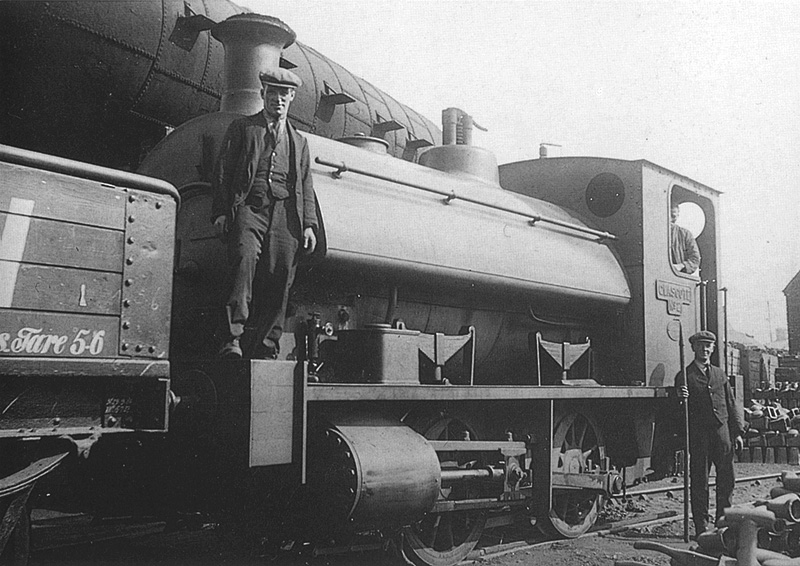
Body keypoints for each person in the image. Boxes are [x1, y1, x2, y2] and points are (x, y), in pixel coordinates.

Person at [212, 67, 318, 359]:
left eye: (284, 95)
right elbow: (223, 172)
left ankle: (266, 344)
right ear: (263, 94)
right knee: (243, 264)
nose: (278, 100)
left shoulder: (299, 141)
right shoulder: (244, 128)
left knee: (281, 276)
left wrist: (308, 225)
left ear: (292, 98)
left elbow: (306, 184)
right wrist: (222, 212)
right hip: (250, 208)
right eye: (273, 93)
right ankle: (232, 339)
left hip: (286, 214)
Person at [677, 330, 745, 537]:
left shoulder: (719, 374)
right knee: (700, 482)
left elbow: (731, 403)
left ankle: (722, 522)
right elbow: (677, 412)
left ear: (713, 349)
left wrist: (738, 432)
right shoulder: (684, 376)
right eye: (701, 346)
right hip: (700, 437)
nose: (705, 350)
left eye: (708, 346)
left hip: (722, 434)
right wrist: (680, 397)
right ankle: (701, 527)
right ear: (693, 348)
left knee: (726, 480)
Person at [670, 203, 701, 274]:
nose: (669, 219)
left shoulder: (686, 234)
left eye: (673, 216)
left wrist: (681, 266)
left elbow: (695, 259)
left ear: (677, 216)